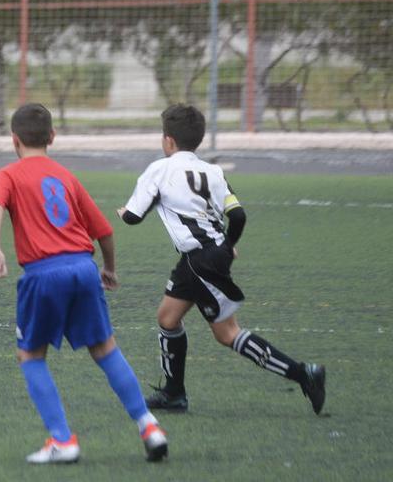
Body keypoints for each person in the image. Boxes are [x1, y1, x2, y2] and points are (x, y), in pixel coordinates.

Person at [0, 103, 168, 464]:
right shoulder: (66, 177)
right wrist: (109, 269)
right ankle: (149, 425)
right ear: (52, 137)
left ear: (13, 140)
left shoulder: (9, 174)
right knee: (105, 349)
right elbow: (104, 230)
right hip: (84, 268)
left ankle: (62, 440)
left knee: (31, 355)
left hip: (43, 273)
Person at [116, 103, 325, 415]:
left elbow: (132, 216)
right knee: (168, 319)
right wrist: (228, 246)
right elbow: (237, 216)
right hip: (203, 258)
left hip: (201, 262)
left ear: (168, 141)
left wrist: (122, 212)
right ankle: (174, 394)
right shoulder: (212, 171)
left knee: (227, 333)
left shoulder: (159, 169)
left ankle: (304, 374)